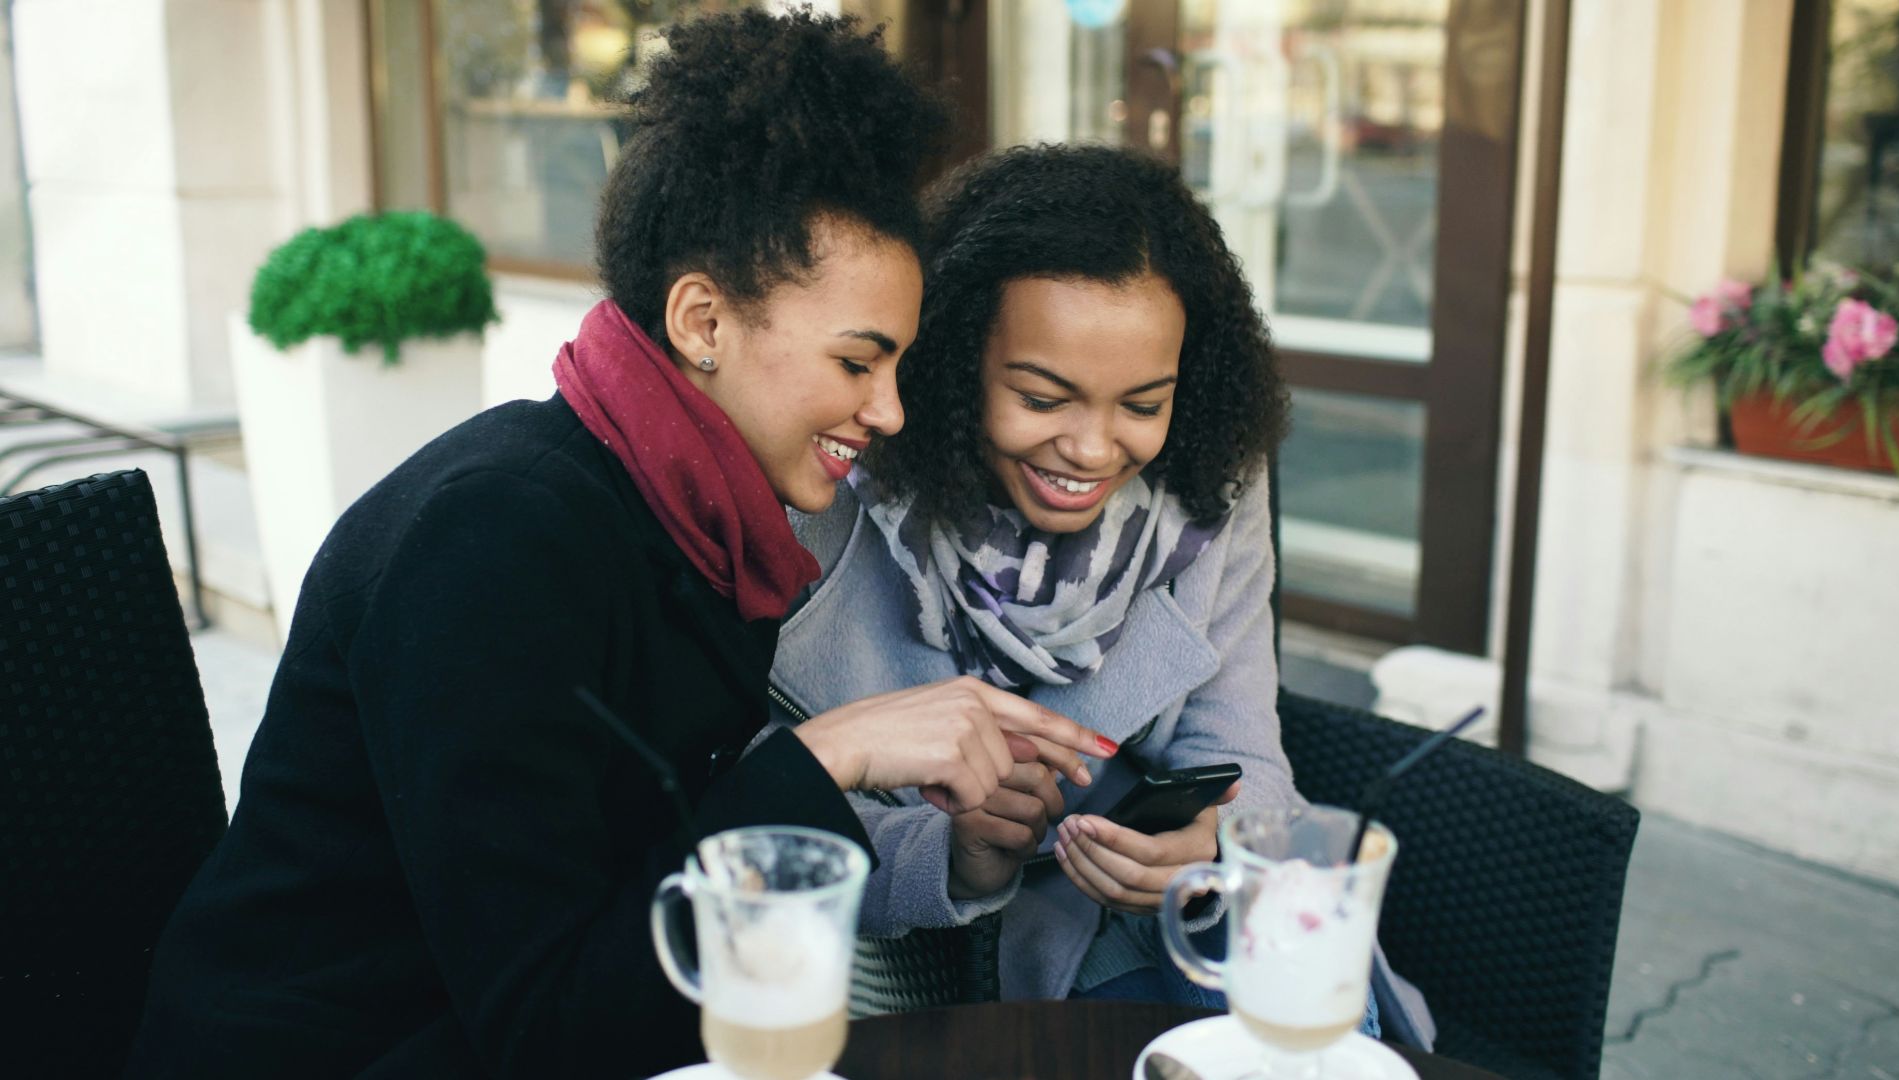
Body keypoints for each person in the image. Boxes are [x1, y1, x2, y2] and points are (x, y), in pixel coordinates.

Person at [126, 14, 1110, 1078]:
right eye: (858, 362)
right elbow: (552, 1028)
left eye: (900, 370)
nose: (890, 411)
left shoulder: (691, 521)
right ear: (702, 323)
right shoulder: (498, 542)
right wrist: (830, 755)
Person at [768, 144, 1435, 1047]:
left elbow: (1245, 753)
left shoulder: (1208, 491)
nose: (1092, 450)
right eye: (1044, 397)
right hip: (958, 968)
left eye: (1143, 404)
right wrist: (954, 854)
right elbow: (772, 815)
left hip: (1175, 927)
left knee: (1305, 1008)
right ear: (956, 363)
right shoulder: (833, 494)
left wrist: (1216, 844)